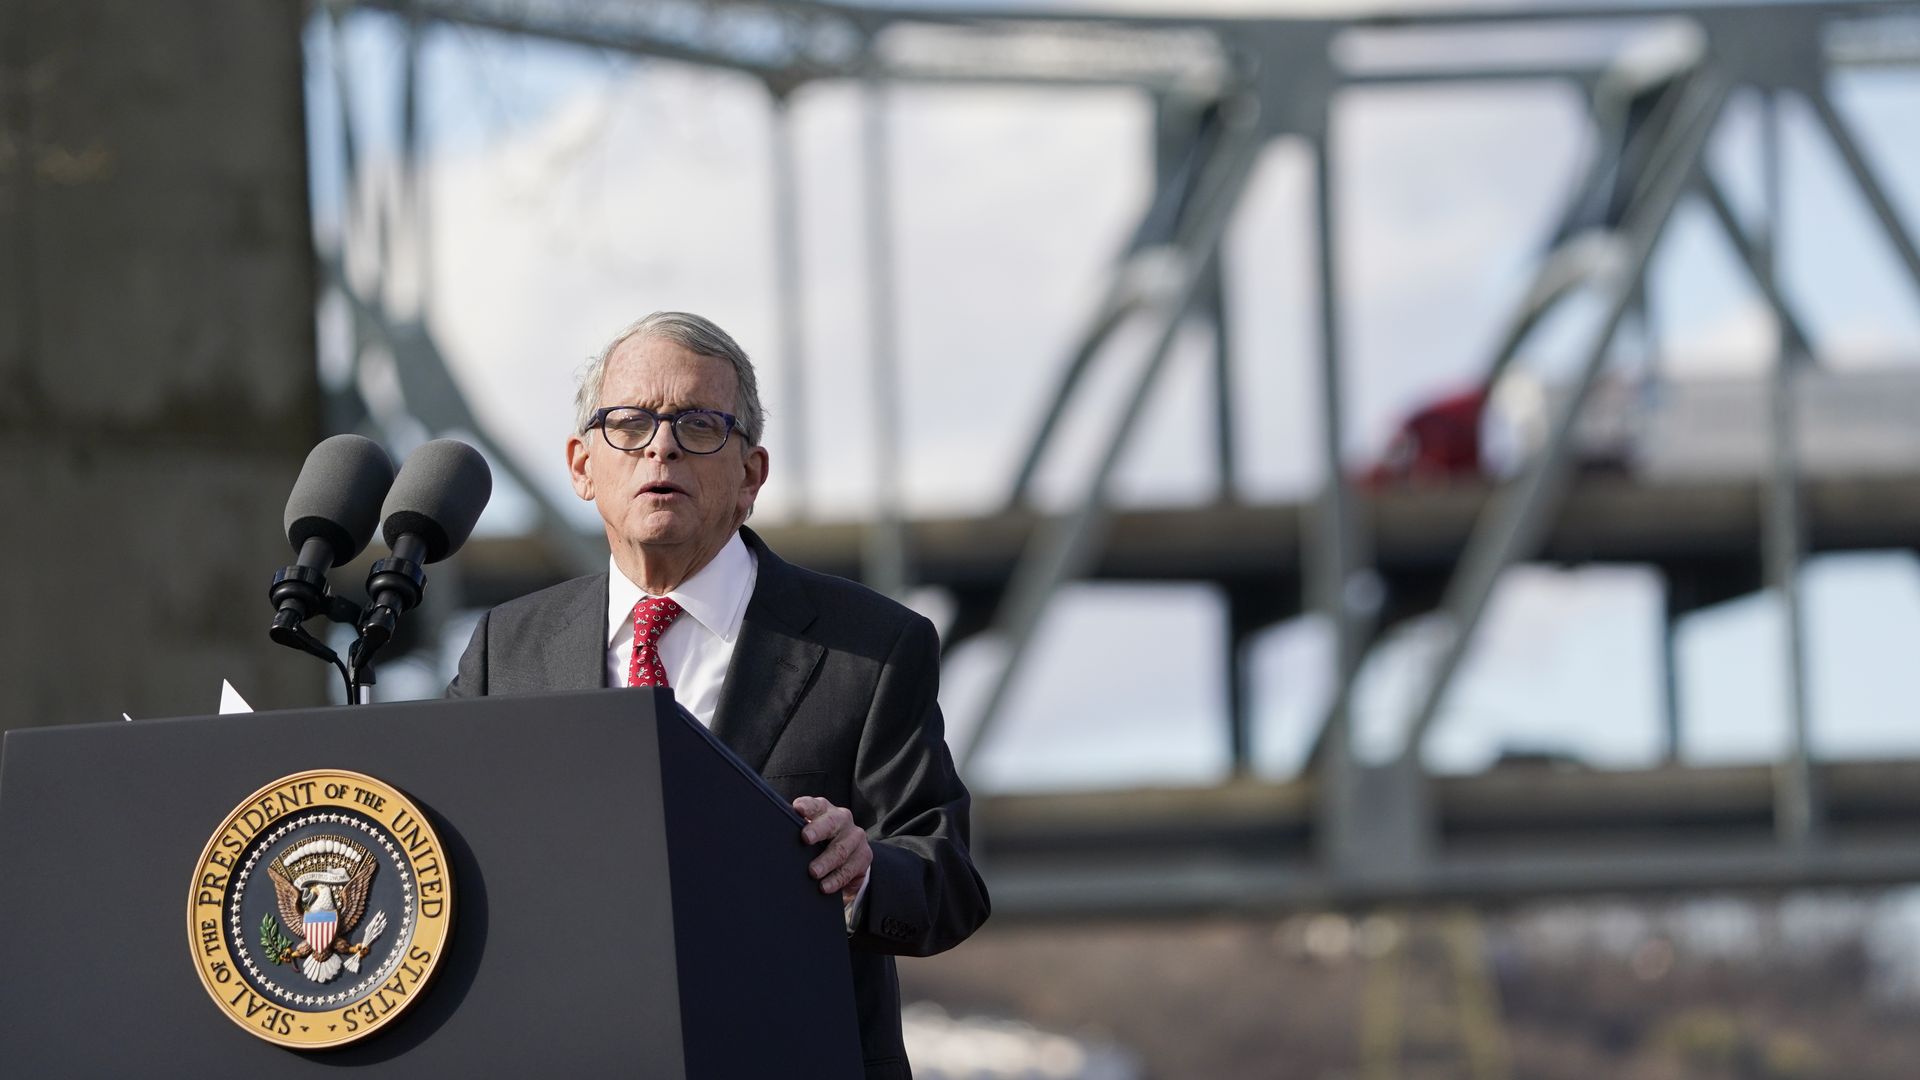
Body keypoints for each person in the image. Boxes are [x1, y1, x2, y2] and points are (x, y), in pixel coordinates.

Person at [447, 311, 988, 1078]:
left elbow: (949, 883)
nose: (661, 447)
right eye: (629, 424)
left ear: (751, 476)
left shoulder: (870, 646)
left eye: (699, 425)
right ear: (581, 465)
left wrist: (862, 869)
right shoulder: (507, 648)